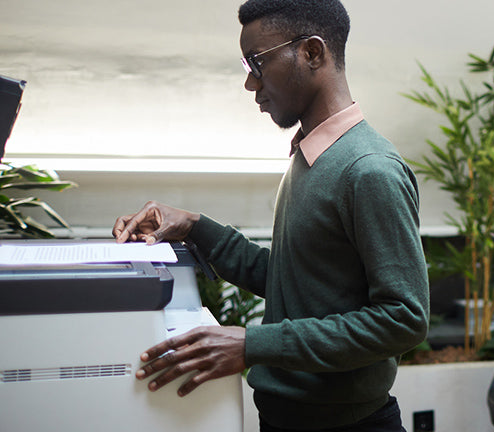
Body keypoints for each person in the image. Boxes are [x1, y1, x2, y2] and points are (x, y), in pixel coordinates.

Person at [111, 1, 430, 430]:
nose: (249, 83)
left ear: (312, 53)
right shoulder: (310, 157)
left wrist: (252, 343)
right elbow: (291, 281)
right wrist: (194, 227)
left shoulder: (368, 169)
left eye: (257, 63)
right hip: (288, 417)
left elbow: (403, 319)